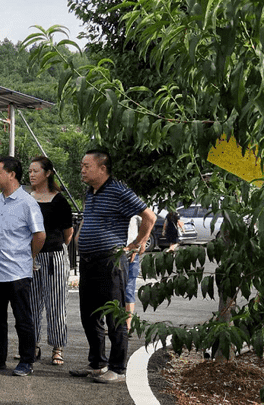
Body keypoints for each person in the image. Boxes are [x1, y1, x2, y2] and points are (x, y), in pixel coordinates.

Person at [70, 149, 155, 384]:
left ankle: (117, 368)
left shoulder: (119, 190)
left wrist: (137, 244)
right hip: (88, 261)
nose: (83, 170)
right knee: (90, 315)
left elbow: (150, 217)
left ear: (102, 168)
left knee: (114, 315)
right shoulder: (91, 191)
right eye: (82, 166)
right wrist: (81, 236)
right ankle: (97, 363)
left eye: (87, 166)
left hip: (110, 261)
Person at [0, 156, 46, 377]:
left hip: (18, 272)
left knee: (23, 319)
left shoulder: (28, 203)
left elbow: (39, 235)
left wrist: (28, 256)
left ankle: (26, 360)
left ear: (11, 174)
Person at [27, 156, 73, 366]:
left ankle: (57, 347)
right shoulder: (27, 198)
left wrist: (54, 248)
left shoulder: (59, 200)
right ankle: (32, 345)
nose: (31, 174)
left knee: (56, 303)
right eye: (30, 171)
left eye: (36, 171)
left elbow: (68, 234)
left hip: (54, 256)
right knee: (32, 303)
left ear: (47, 173)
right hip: (30, 257)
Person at [125, 215, 143, 331]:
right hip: (118, 253)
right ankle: (121, 324)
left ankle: (127, 325)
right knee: (121, 290)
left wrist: (137, 245)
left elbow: (147, 224)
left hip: (131, 253)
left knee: (128, 290)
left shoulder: (135, 209)